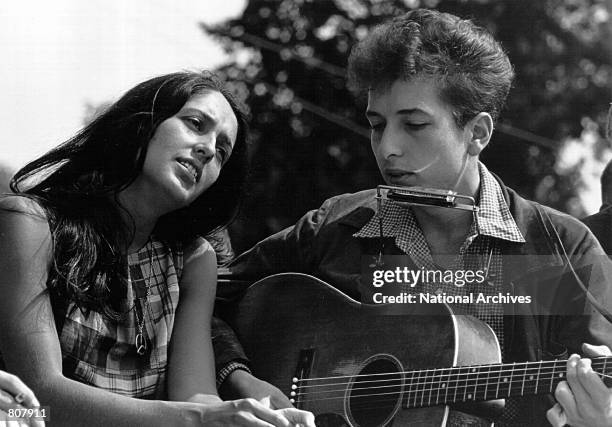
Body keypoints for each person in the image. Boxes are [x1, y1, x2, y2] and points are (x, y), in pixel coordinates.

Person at [211, 9, 612, 426]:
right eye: (376, 125)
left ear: (478, 133)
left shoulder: (566, 249)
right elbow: (207, 301)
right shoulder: (333, 226)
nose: (387, 149)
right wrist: (239, 378)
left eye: (414, 125)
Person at [0, 71, 314, 427]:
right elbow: (39, 397)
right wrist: (200, 417)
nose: (208, 149)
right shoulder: (31, 225)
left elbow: (196, 396)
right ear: (144, 122)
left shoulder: (194, 261)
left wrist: (253, 420)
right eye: (195, 124)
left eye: (222, 152)